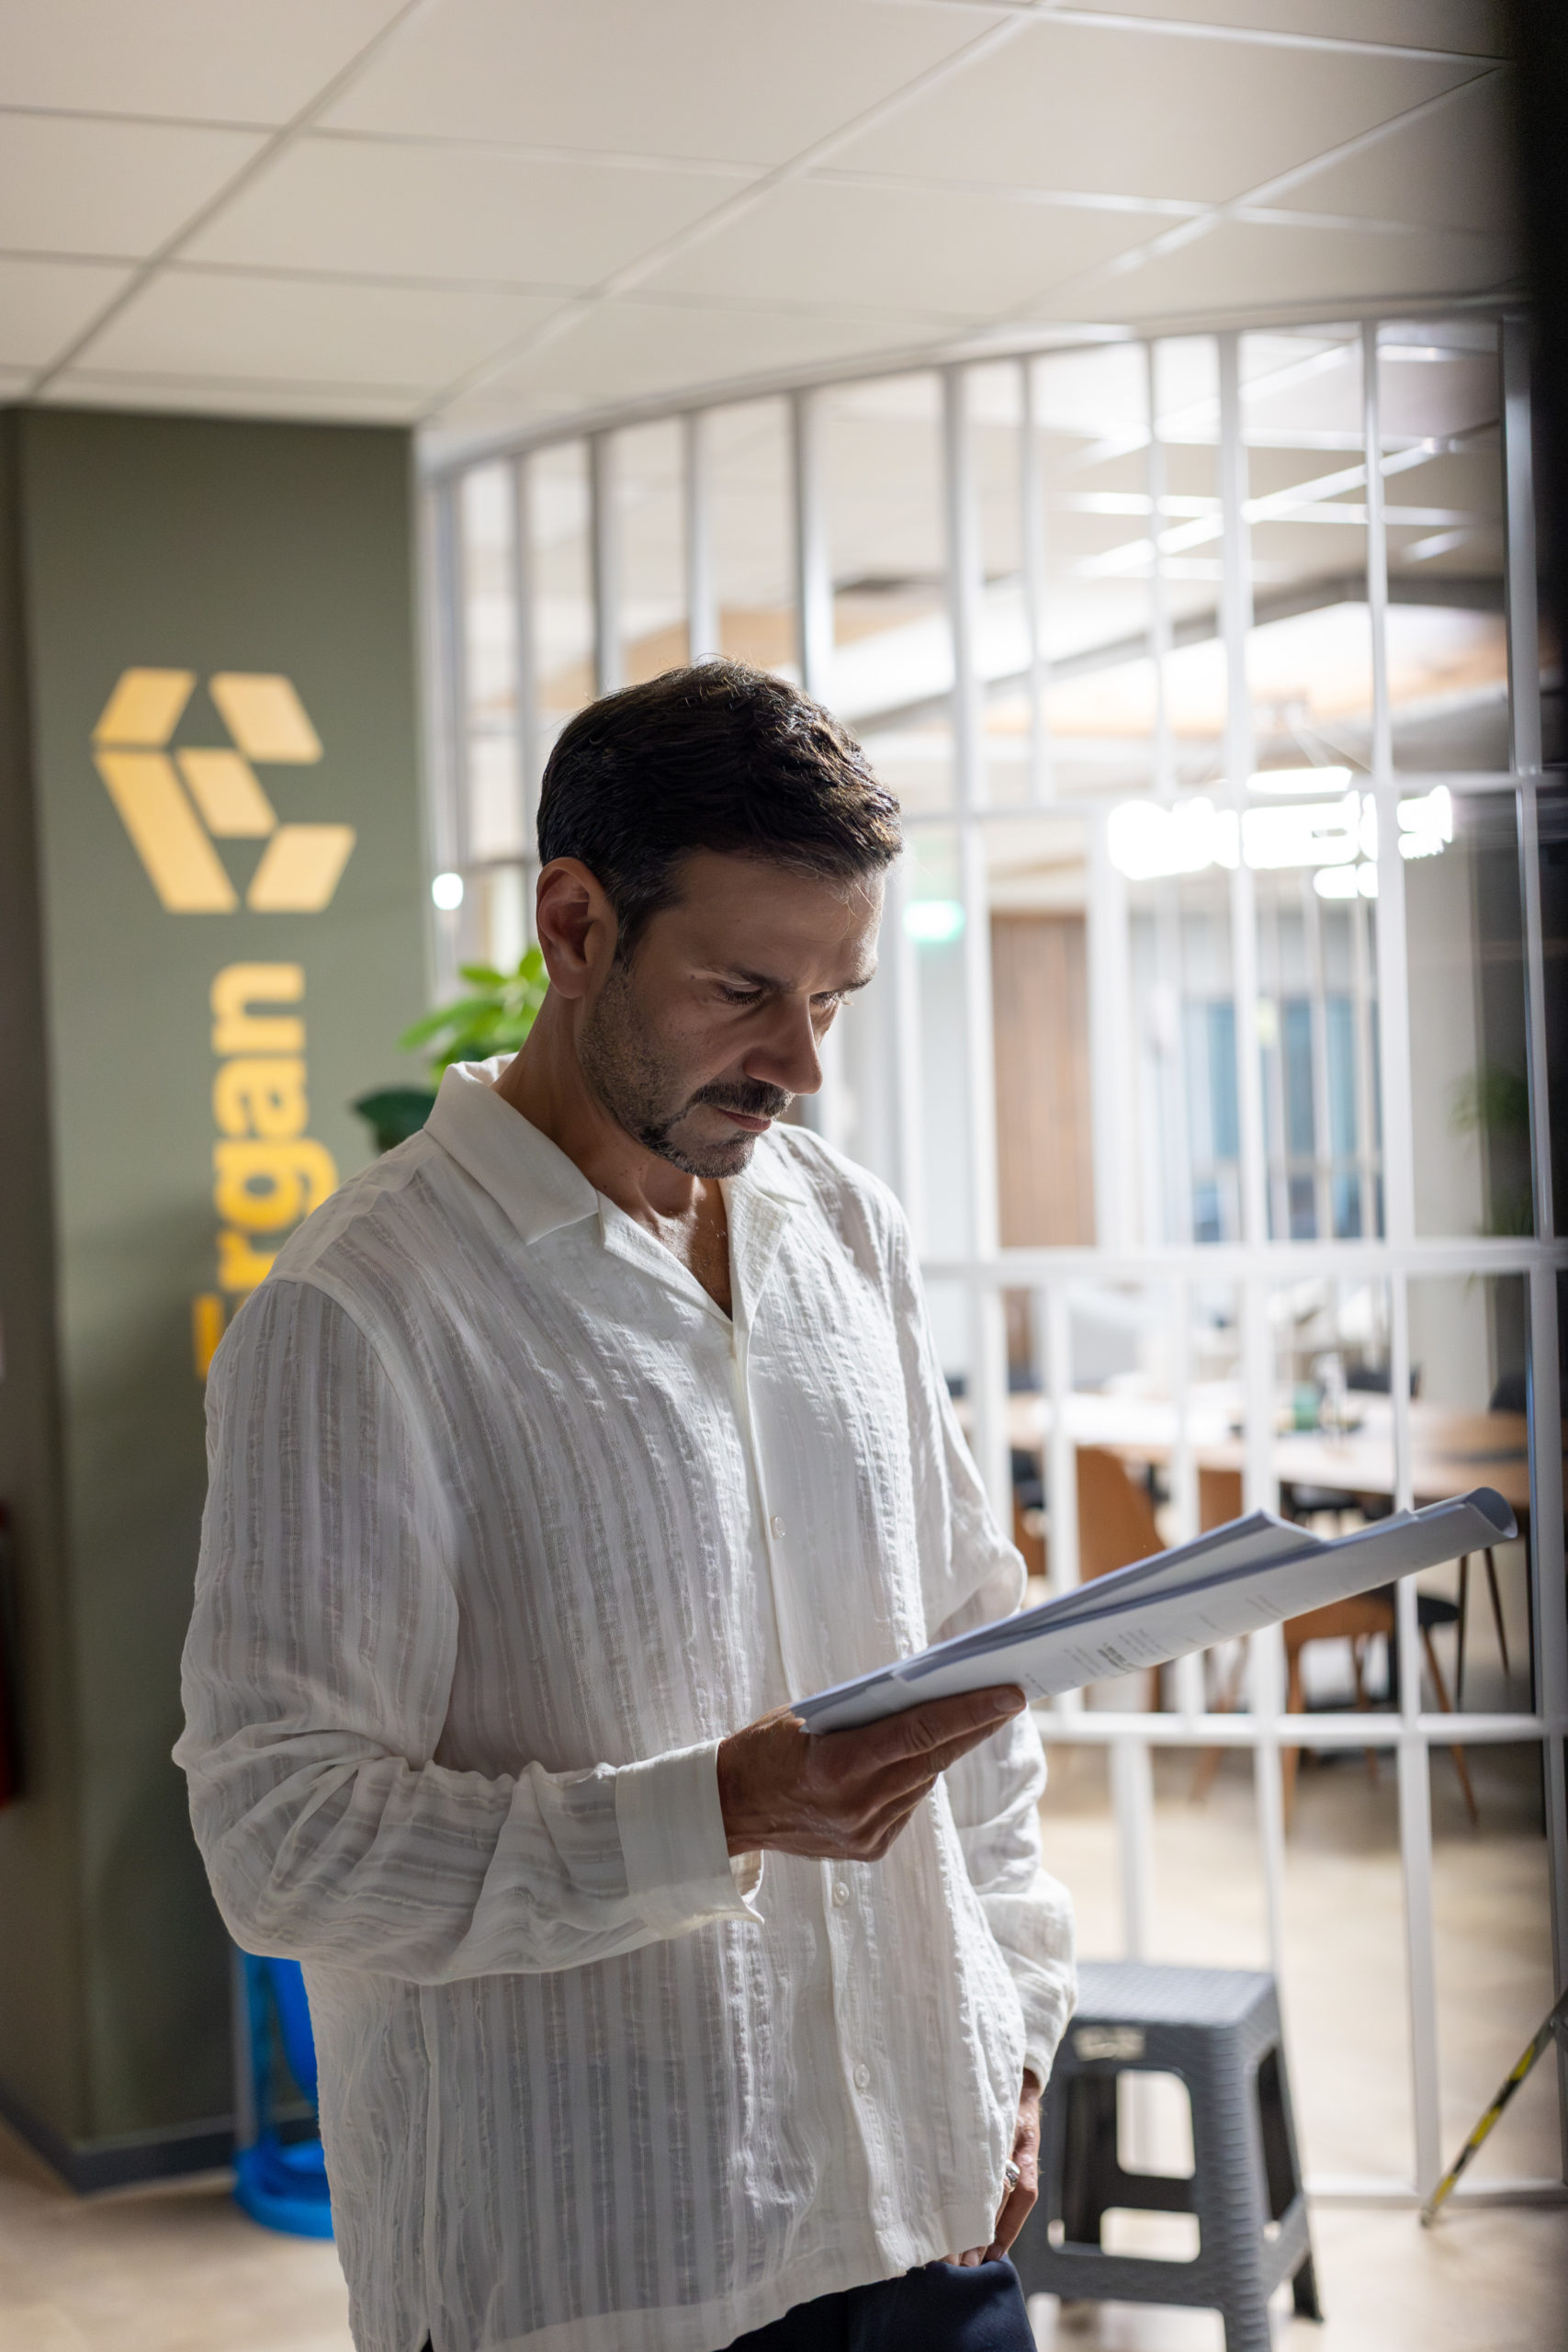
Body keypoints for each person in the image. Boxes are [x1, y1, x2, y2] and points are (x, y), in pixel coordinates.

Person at [177, 662, 1076, 2352]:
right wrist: (716, 1814)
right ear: (574, 926)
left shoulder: (843, 1230)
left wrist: (1012, 2021)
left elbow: (974, 1643)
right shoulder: (357, 1313)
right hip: (597, 2276)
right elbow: (280, 1843)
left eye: (836, 997)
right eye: (745, 989)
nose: (799, 1062)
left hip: (930, 2229)